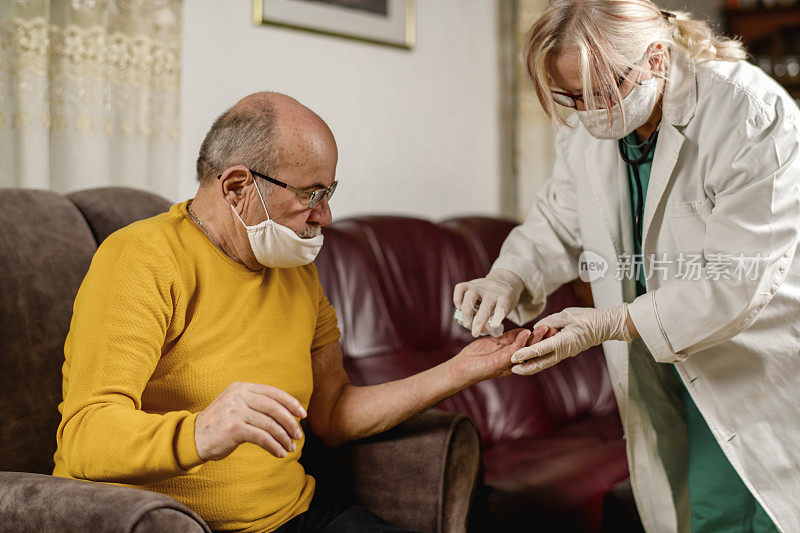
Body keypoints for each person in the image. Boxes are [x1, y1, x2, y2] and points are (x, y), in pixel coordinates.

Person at [53, 92, 542, 533]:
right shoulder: (142, 258)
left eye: (329, 192)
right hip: (175, 524)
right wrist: (202, 431)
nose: (325, 215)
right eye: (311, 194)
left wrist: (463, 369)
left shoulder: (295, 271)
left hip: (295, 519)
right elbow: (84, 435)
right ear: (237, 186)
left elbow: (332, 413)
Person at [453, 1, 800, 532]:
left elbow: (736, 279)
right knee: (690, 512)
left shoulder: (746, 111)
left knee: (741, 514)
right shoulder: (590, 124)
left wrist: (609, 323)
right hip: (657, 360)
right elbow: (558, 219)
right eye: (571, 96)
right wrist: (509, 275)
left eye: (600, 92)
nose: (587, 111)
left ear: (656, 59)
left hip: (747, 362)